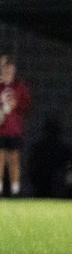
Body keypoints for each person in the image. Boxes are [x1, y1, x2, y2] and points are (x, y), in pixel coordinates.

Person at [0, 56, 26, 195]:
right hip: (1, 130)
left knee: (14, 159)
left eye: (10, 71)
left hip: (14, 130)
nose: (8, 74)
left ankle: (15, 189)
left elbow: (26, 106)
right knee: (0, 158)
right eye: (5, 71)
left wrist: (16, 105)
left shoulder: (19, 87)